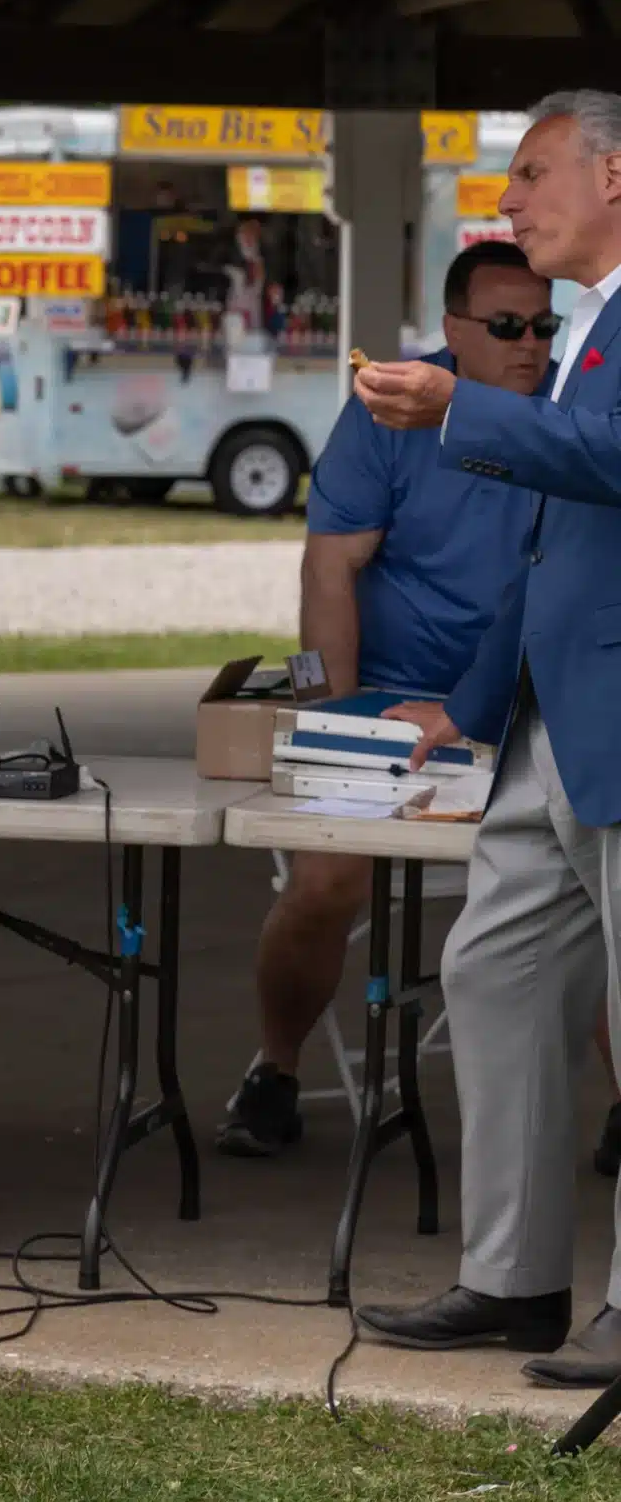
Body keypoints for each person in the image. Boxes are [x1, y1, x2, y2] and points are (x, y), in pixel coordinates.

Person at [352, 91, 621, 1387]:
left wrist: (457, 406)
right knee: (493, 968)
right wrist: (468, 699)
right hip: (551, 723)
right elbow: (551, 538)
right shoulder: (586, 326)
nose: (508, 202)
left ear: (615, 175)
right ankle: (514, 1280)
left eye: (531, 173)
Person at [219, 243, 553, 1157]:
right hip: (396, 699)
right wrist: (333, 721)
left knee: (594, 885)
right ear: (451, 331)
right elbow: (328, 570)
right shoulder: (386, 411)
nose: (531, 344)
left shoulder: (568, 412)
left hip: (533, 702)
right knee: (323, 879)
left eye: (544, 325)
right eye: (508, 326)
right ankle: (275, 1068)